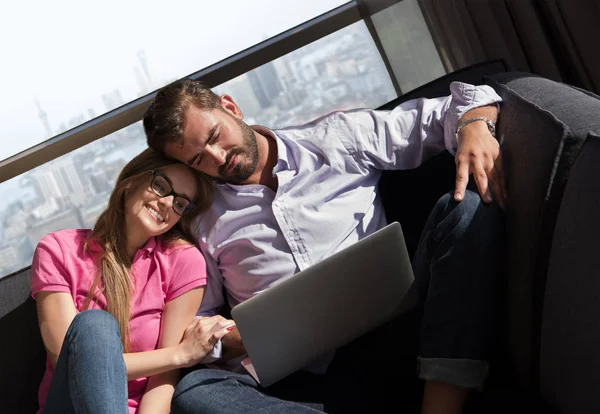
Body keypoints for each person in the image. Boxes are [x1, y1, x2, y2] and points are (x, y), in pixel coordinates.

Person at [144, 78, 507, 414]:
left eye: (214, 136)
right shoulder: (200, 222)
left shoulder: (335, 137)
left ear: (231, 107)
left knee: (466, 211)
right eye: (197, 160)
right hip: (310, 381)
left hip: (402, 329)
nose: (218, 158)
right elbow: (200, 326)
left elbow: (457, 106)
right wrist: (239, 337)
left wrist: (474, 126)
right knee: (196, 391)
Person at [31, 148, 315, 414]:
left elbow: (161, 380)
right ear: (130, 181)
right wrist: (180, 355)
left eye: (180, 203)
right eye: (161, 186)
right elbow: (68, 360)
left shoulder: (183, 261)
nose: (167, 203)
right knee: (95, 325)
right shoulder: (59, 249)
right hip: (70, 404)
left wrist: (175, 360)